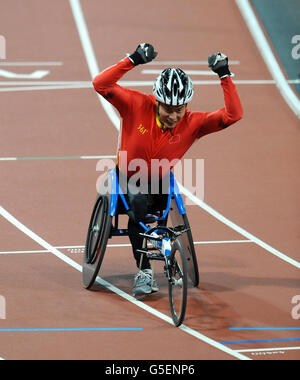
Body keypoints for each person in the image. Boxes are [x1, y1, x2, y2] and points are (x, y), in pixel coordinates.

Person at [92, 43, 243, 296]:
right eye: (168, 109)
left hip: (161, 180)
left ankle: (167, 253)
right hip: (127, 176)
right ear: (157, 101)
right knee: (138, 207)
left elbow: (233, 115)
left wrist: (224, 75)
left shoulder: (194, 123)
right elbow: (100, 84)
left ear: (187, 105)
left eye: (179, 109)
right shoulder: (135, 105)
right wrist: (134, 59)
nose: (174, 115)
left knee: (161, 215)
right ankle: (145, 270)